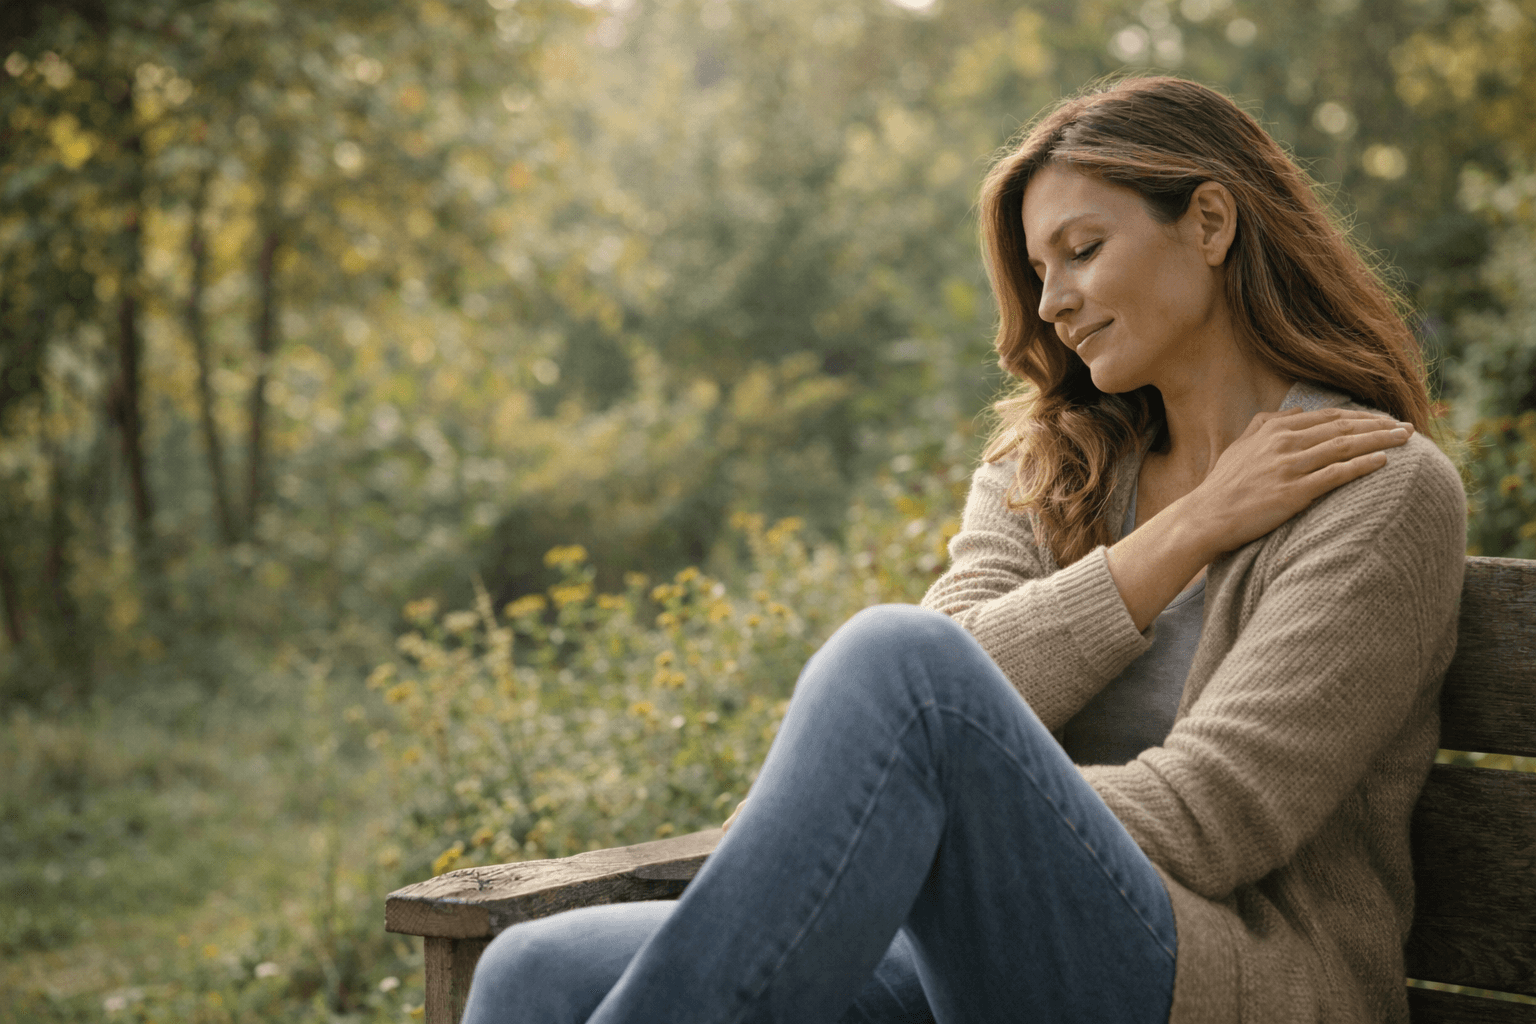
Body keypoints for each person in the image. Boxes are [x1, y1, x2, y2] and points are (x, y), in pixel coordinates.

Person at [461, 76, 1466, 1024]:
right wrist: (1185, 532)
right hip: (986, 954)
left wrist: (955, 813)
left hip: (1230, 983)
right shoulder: (1054, 463)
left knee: (899, 662)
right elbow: (962, 681)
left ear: (1208, 222)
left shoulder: (1377, 490)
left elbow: (1211, 818)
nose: (1053, 302)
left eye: (1082, 249)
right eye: (1038, 271)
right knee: (531, 970)